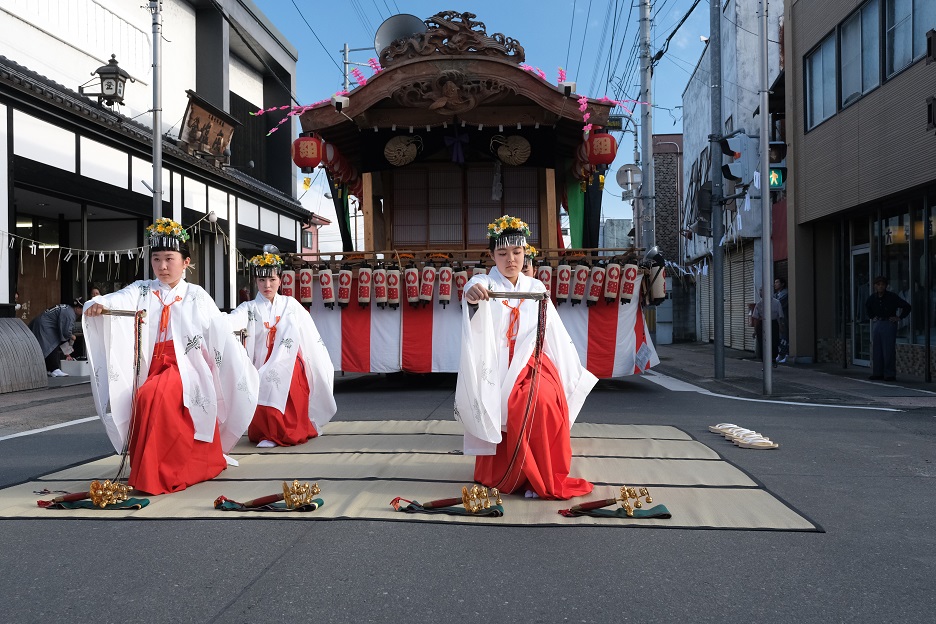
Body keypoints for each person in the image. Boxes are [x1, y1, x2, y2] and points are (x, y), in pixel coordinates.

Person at [83, 218, 258, 495]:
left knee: (157, 396)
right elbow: (118, 299)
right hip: (151, 364)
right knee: (144, 396)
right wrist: (99, 303)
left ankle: (165, 471)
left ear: (186, 262)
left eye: (169, 259)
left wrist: (238, 331)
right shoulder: (143, 290)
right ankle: (153, 469)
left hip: (187, 365)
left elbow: (219, 328)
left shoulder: (196, 296)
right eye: (156, 259)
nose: (162, 266)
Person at [455, 215, 597, 500]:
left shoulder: (536, 288)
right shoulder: (485, 281)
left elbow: (553, 332)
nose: (511, 260)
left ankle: (538, 475)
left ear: (526, 253)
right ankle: (512, 475)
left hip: (532, 363)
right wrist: (472, 293)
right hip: (497, 366)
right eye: (503, 253)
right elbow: (472, 290)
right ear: (492, 255)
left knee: (540, 401)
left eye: (517, 253)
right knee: (511, 405)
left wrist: (567, 370)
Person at [228, 248, 336, 447]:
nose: (267, 285)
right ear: (256, 281)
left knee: (286, 375)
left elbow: (308, 335)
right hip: (262, 358)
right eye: (261, 281)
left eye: (272, 280)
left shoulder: (291, 305)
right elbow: (232, 321)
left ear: (280, 280)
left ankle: (287, 431)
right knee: (259, 376)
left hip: (289, 356)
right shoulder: (249, 307)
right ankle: (268, 433)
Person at [865, 276, 911, 381]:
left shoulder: (892, 297)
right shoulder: (872, 298)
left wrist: (899, 317)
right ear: (875, 286)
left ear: (886, 286)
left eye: (882, 284)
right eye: (878, 284)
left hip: (889, 323)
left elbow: (907, 306)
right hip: (878, 323)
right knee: (877, 349)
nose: (880, 286)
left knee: (888, 350)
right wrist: (872, 317)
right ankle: (877, 373)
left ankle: (889, 374)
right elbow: (867, 307)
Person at [30, 298, 84, 377]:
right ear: (78, 308)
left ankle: (49, 369)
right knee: (51, 345)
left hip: (44, 324)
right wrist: (72, 336)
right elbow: (66, 332)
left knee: (50, 344)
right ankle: (54, 369)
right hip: (45, 326)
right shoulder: (69, 313)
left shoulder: (67, 308)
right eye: (82, 309)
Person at [752, 287, 783, 367]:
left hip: (773, 323)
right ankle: (765, 362)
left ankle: (773, 359)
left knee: (774, 342)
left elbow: (779, 316)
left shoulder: (776, 302)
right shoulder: (759, 304)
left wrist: (780, 327)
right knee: (762, 343)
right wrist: (755, 330)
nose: (760, 293)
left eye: (762, 291)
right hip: (762, 324)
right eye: (760, 291)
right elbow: (755, 318)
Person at [773, 277, 789, 363]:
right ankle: (781, 354)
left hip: (784, 318)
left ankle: (786, 354)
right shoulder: (776, 294)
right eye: (775, 282)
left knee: (784, 336)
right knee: (780, 337)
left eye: (777, 282)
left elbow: (776, 304)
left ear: (782, 284)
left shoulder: (785, 293)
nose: (775, 284)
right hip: (778, 319)